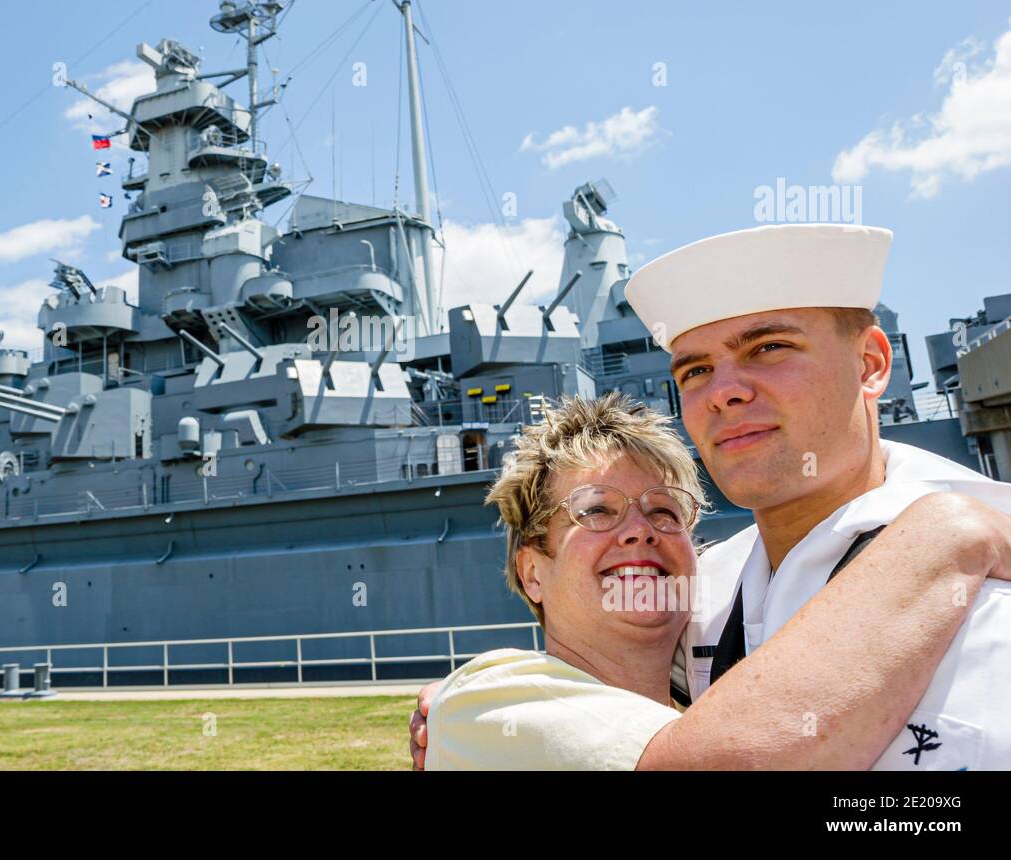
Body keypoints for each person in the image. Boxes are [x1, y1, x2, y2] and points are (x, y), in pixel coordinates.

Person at [413, 223, 1011, 770]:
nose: (725, 391)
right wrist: (487, 709)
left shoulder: (991, 572)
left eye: (768, 347)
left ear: (871, 363)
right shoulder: (705, 596)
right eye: (696, 370)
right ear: (530, 569)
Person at [421, 392, 1010, 770]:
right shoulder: (489, 702)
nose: (639, 532)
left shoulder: (709, 686)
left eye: (664, 511)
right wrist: (950, 531)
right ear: (533, 572)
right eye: (596, 510)